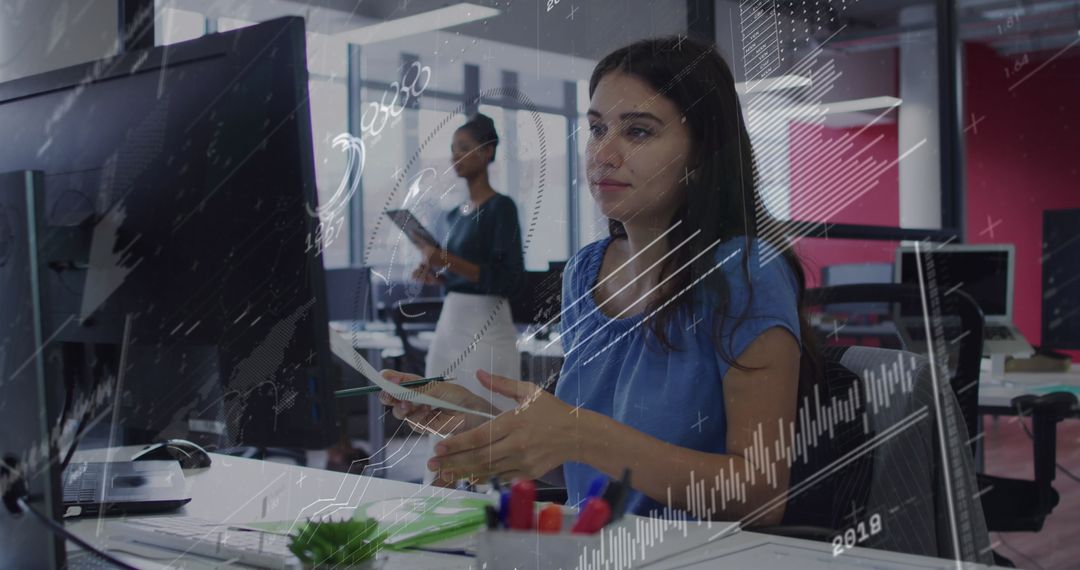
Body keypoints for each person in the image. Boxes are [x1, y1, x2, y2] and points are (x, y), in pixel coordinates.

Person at [382, 37, 814, 524]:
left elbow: (761, 498)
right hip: (590, 545)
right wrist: (476, 421)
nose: (602, 154)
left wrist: (580, 434)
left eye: (638, 132)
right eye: (596, 128)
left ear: (701, 152)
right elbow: (580, 465)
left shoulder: (745, 273)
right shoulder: (586, 273)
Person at [407, 113, 525, 482]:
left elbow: (508, 278)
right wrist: (438, 274)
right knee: (440, 408)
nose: (455, 157)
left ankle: (489, 497)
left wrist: (448, 260)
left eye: (464, 148)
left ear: (487, 153)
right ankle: (441, 490)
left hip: (485, 324)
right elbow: (461, 275)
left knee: (487, 415)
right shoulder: (455, 215)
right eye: (452, 149)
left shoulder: (501, 208)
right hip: (452, 321)